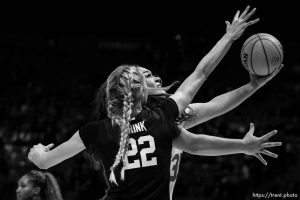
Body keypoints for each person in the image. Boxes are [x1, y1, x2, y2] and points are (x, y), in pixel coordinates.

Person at [28, 6, 281, 200]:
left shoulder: (102, 129)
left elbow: (215, 106)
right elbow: (201, 82)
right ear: (138, 90)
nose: (155, 76)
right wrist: (235, 50)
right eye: (146, 75)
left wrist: (40, 154)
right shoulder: (165, 116)